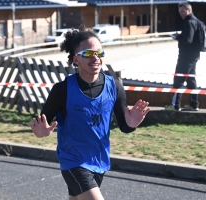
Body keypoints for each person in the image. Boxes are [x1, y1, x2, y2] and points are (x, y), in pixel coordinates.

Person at [28, 25, 150, 200]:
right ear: (76, 59)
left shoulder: (115, 86)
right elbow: (42, 122)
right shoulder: (62, 90)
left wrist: (131, 124)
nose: (95, 58)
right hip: (73, 160)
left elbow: (124, 126)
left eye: (99, 53)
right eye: (87, 53)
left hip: (99, 160)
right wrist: (41, 132)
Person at [167, 2, 200, 111]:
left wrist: (178, 37)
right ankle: (194, 105)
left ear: (189, 10)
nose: (181, 14)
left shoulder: (189, 22)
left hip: (186, 57)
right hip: (193, 56)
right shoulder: (196, 22)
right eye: (179, 12)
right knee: (191, 80)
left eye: (182, 11)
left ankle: (175, 105)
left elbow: (188, 40)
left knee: (178, 80)